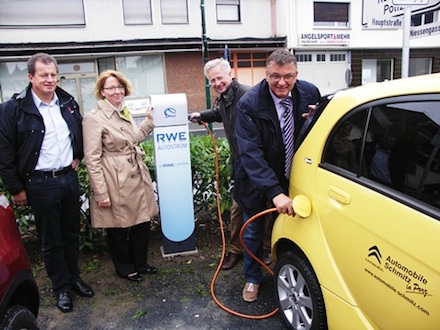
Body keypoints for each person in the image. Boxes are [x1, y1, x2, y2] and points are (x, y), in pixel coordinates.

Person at [0, 52, 94, 313]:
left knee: (71, 234)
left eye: (53, 74)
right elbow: (5, 152)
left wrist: (78, 155)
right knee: (51, 240)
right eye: (44, 75)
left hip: (68, 178)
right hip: (40, 184)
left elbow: (79, 131)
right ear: (31, 77)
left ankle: (74, 277)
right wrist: (16, 188)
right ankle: (61, 287)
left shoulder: (67, 102)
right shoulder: (13, 109)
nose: (50, 79)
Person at [234, 49, 321, 302]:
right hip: (256, 180)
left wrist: (316, 116)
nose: (282, 82)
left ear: (296, 74)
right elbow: (250, 153)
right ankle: (252, 278)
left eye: (288, 76)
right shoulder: (249, 104)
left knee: (293, 226)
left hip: (292, 175)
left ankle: (283, 265)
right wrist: (274, 192)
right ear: (266, 73)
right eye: (275, 76)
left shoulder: (309, 92)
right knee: (252, 231)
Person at [82, 70, 158, 283]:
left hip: (134, 171)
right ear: (102, 92)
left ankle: (140, 263)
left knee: (142, 221)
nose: (116, 91)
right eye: (110, 88)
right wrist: (101, 192)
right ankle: (125, 268)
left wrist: (149, 121)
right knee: (118, 225)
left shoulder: (123, 111)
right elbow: (92, 158)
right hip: (113, 177)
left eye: (119, 87)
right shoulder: (94, 118)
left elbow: (133, 139)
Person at [189, 58, 250, 270]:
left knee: (255, 210)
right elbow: (220, 115)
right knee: (239, 210)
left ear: (229, 74)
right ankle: (237, 251)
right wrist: (201, 115)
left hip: (254, 163)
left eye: (219, 78)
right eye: (212, 80)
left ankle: (263, 252)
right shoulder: (224, 97)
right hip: (240, 163)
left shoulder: (244, 94)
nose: (216, 83)